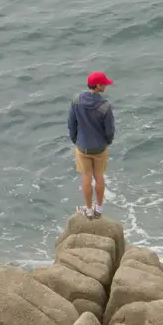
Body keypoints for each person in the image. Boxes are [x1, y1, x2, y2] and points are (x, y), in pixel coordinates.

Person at [67, 71, 116, 219]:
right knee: (99, 176)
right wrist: (108, 142)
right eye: (104, 84)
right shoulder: (105, 106)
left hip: (82, 146)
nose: (106, 85)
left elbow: (71, 124)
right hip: (100, 147)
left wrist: (75, 139)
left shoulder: (76, 101)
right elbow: (110, 130)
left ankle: (88, 210)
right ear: (98, 85)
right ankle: (99, 209)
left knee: (86, 176)